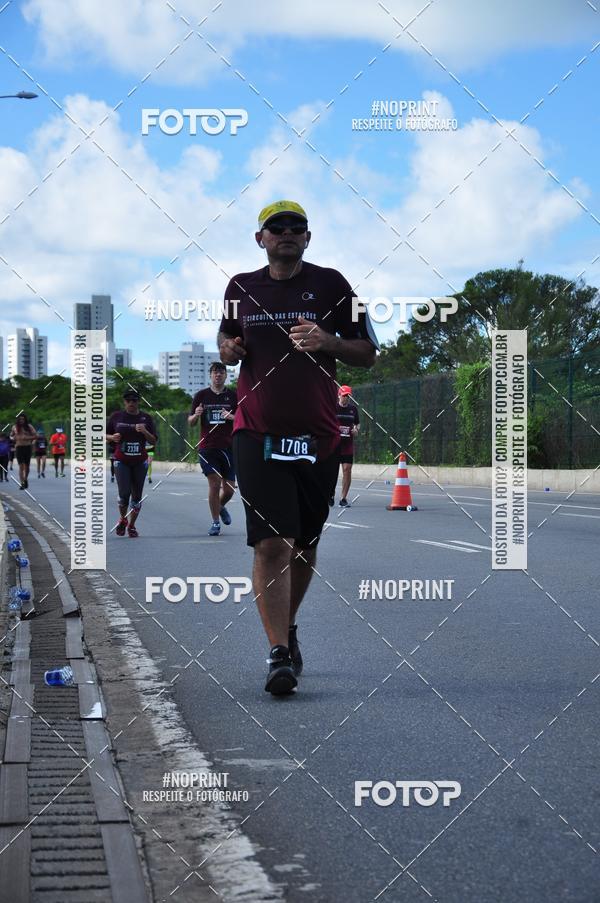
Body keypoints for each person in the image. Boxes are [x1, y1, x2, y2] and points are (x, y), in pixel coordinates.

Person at [218, 199, 378, 695]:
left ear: (308, 238)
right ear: (260, 238)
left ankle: (287, 626)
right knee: (271, 542)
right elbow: (225, 338)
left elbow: (369, 353)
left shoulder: (334, 284)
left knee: (305, 542)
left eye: (297, 228)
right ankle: (278, 654)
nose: (287, 233)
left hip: (318, 436)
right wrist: (228, 348)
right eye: (276, 227)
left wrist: (328, 341)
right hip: (256, 431)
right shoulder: (239, 287)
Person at [188, 361, 237, 536]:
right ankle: (215, 522)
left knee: (230, 489)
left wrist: (231, 416)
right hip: (208, 447)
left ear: (225, 375)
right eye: (215, 372)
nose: (218, 375)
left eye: (221, 372)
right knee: (214, 484)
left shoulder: (233, 396)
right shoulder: (201, 396)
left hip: (228, 447)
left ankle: (221, 506)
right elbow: (191, 422)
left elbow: (242, 418)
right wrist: (196, 415)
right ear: (210, 375)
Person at [106, 389, 157, 538]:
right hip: (121, 460)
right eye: (128, 401)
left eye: (134, 400)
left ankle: (132, 525)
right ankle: (123, 519)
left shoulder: (146, 418)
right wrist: (111, 437)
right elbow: (103, 435)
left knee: (137, 496)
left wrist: (145, 432)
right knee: (124, 494)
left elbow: (153, 440)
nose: (131, 403)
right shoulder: (117, 417)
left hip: (140, 461)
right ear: (124, 402)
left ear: (138, 402)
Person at [335, 386, 360, 507]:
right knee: (332, 471)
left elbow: (357, 424)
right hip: (334, 445)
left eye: (348, 396)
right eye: (344, 395)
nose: (346, 398)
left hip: (347, 445)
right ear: (339, 395)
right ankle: (330, 494)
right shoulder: (333, 408)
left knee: (347, 470)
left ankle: (343, 498)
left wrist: (356, 430)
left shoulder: (353, 409)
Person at [10, 414, 38, 489]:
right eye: (20, 419)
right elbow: (11, 436)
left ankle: (25, 479)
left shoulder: (29, 427)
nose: (21, 421)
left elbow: (36, 436)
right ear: (18, 420)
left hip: (27, 447)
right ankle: (22, 483)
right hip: (19, 447)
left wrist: (27, 437)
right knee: (21, 466)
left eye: (23, 419)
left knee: (27, 466)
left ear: (25, 420)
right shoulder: (14, 427)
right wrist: (13, 438)